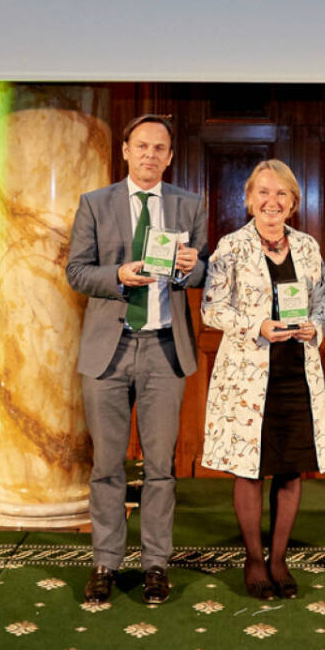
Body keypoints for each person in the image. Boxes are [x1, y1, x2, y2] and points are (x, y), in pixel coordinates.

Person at [65, 114, 207, 605]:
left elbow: (202, 270)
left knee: (161, 468)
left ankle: (155, 565)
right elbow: (77, 272)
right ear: (125, 151)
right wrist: (119, 275)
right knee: (107, 465)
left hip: (165, 349)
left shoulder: (189, 206)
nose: (150, 155)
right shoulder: (95, 204)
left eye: (159, 148)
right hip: (110, 348)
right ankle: (105, 563)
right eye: (141, 146)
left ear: (170, 157)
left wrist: (192, 270)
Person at [200, 160, 325, 600]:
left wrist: (317, 323)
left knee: (291, 467)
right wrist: (256, 324)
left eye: (281, 195)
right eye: (263, 192)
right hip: (248, 375)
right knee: (250, 468)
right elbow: (211, 308)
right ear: (248, 199)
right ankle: (255, 561)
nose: (271, 202)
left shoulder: (309, 247)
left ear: (294, 203)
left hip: (296, 371)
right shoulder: (230, 247)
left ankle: (279, 559)